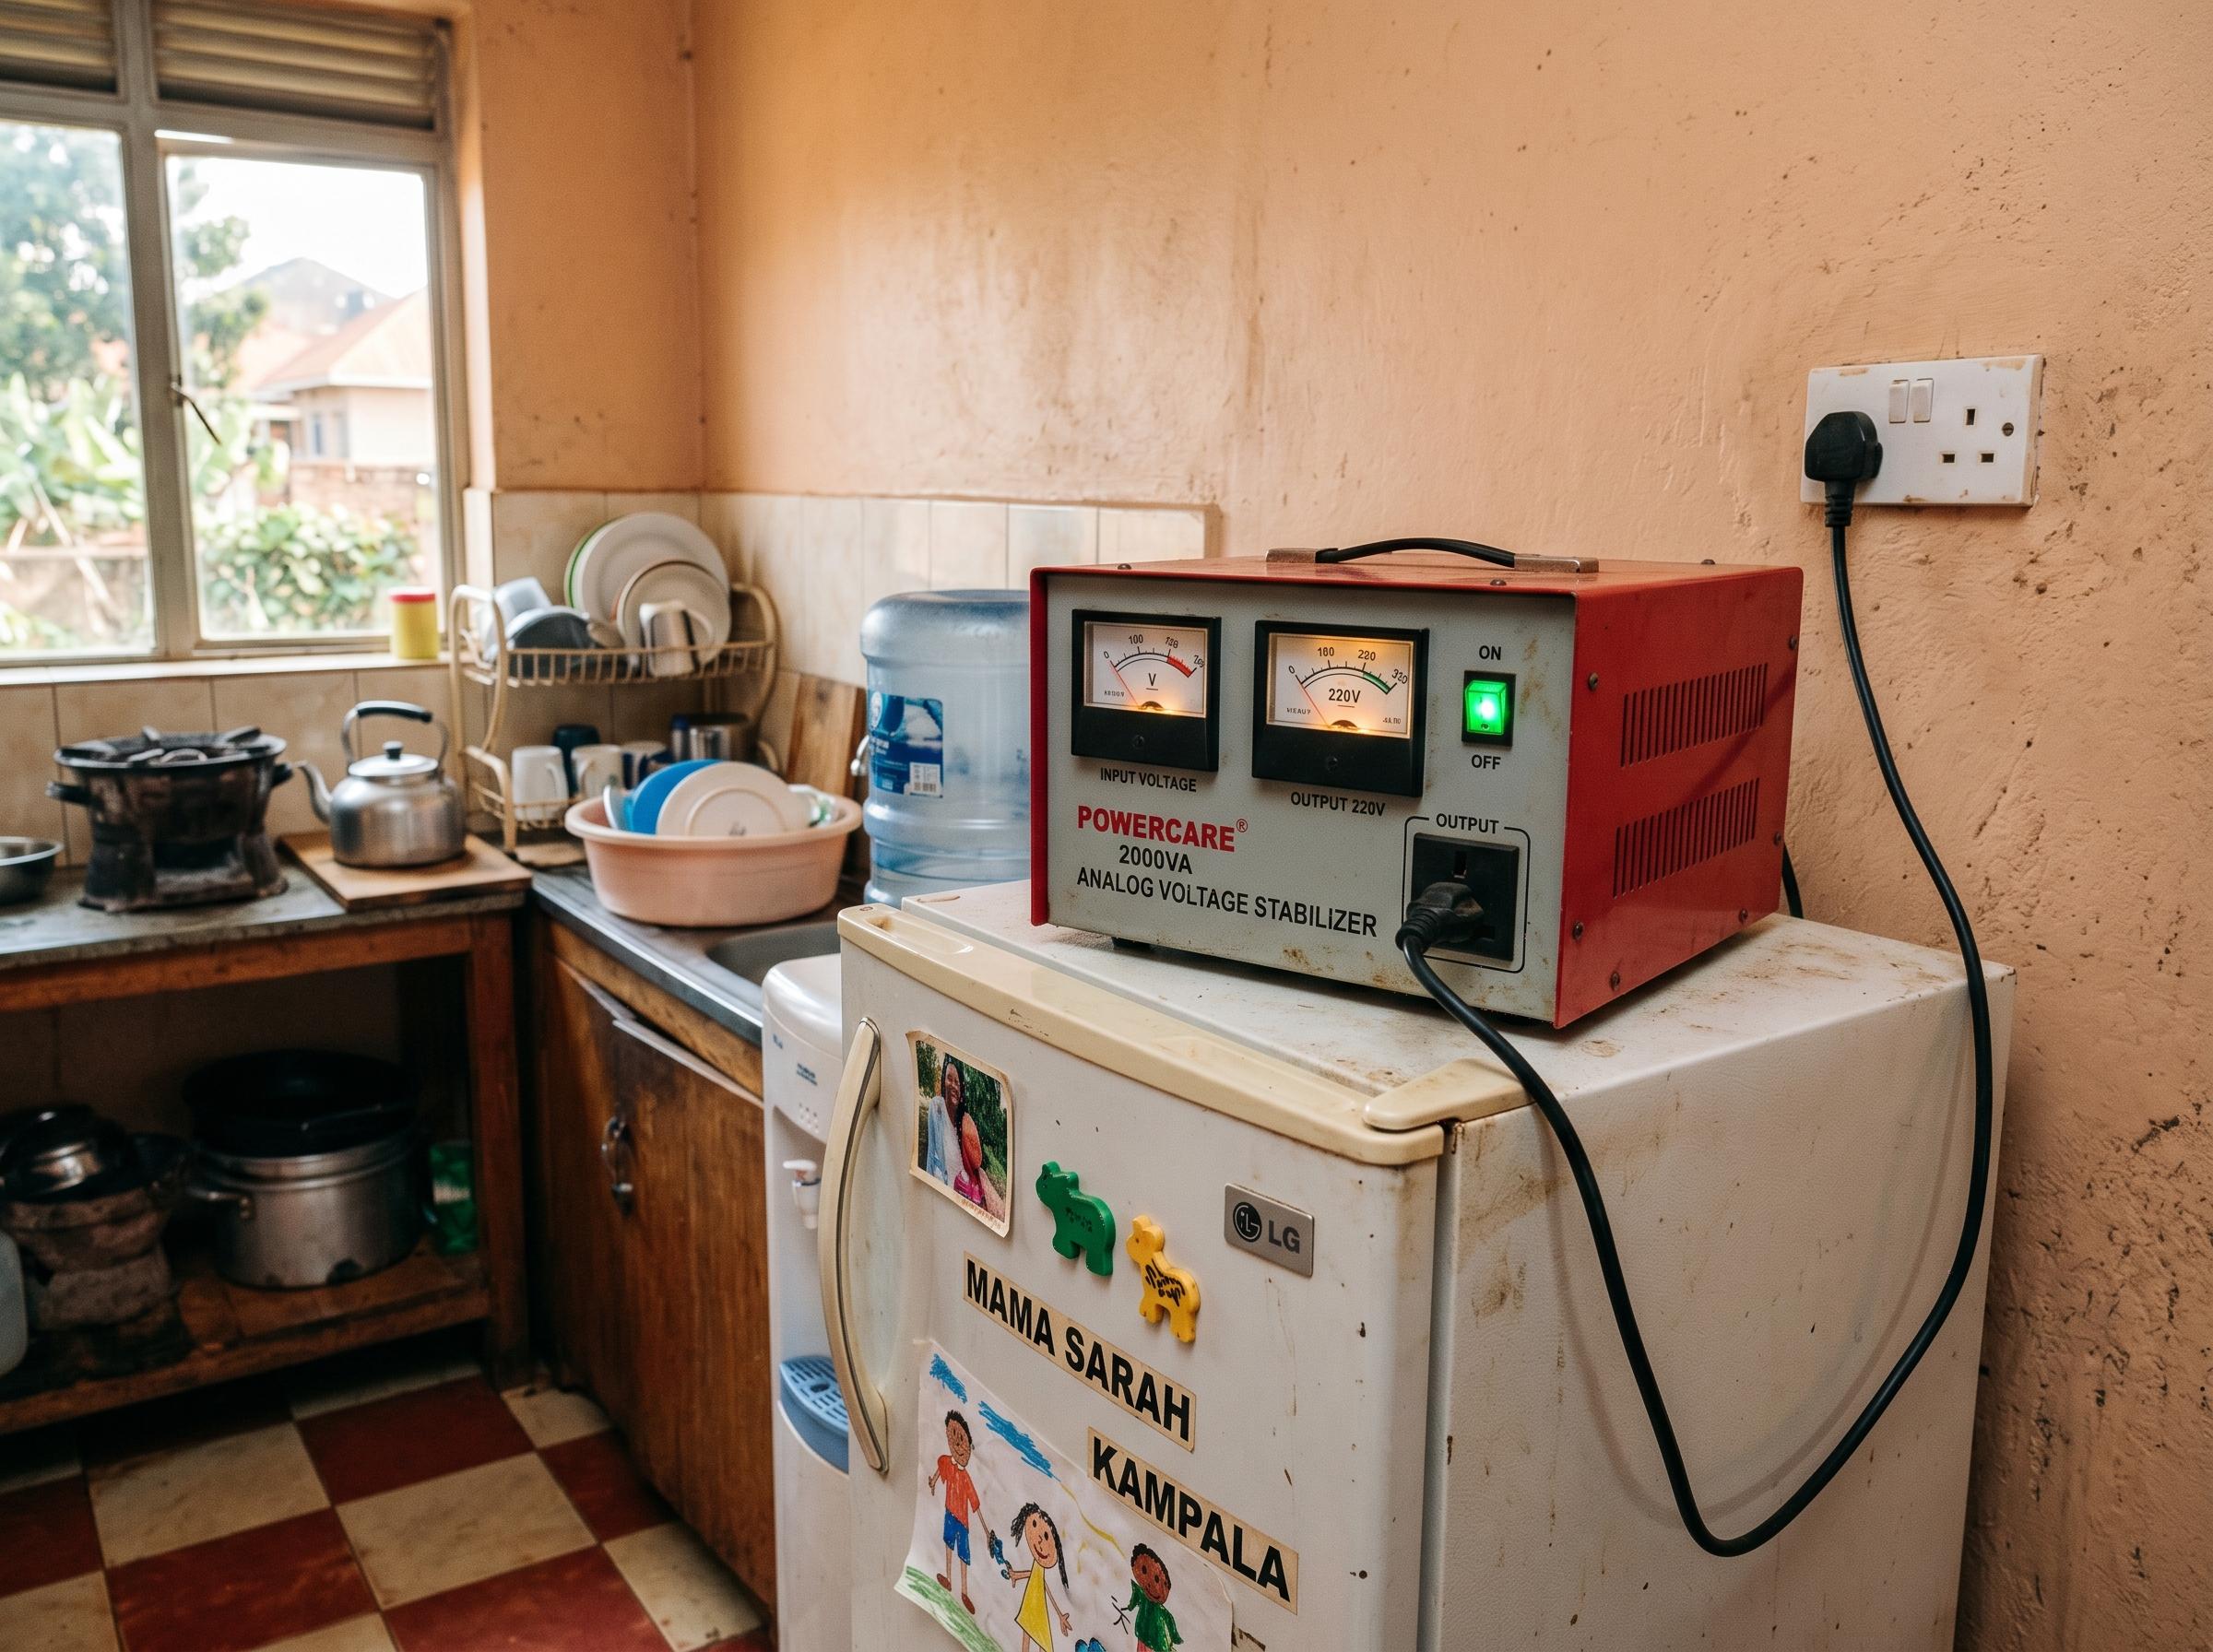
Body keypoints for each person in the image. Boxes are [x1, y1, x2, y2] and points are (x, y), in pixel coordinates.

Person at [927, 1410, 987, 1612]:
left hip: (963, 1521)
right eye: (952, 1439)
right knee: (948, 1545)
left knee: (964, 1554)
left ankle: (965, 1592)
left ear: (970, 1444)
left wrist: (987, 1533)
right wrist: (933, 1483)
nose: (957, 1446)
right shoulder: (947, 1463)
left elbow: (976, 1505)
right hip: (949, 1513)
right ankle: (949, 1579)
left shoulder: (966, 1478)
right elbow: (938, 1472)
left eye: (961, 1440)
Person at [1004, 1502, 1073, 1650]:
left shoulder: (1041, 1571)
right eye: (1034, 1524)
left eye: (1046, 1536)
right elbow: (1033, 1576)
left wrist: (1060, 1615)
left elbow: (1046, 1588)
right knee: (1028, 1632)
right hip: (1031, 1602)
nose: (1040, 1540)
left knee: (1042, 1639)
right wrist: (1016, 1575)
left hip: (1037, 1606)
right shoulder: (1037, 1567)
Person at [1119, 1543, 1181, 1651]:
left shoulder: (1159, 1609)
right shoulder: (1142, 1594)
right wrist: (1130, 1606)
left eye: (1157, 1580)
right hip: (1142, 1634)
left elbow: (1169, 1620)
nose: (1150, 1584)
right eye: (1143, 1570)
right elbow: (1136, 1596)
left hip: (1156, 1641)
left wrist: (1175, 1637)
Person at [923, 1055, 965, 1186]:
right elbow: (931, 1153)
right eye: (949, 1079)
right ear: (943, 1081)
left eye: (957, 1082)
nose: (953, 1085)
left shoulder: (964, 1122)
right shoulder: (937, 1107)